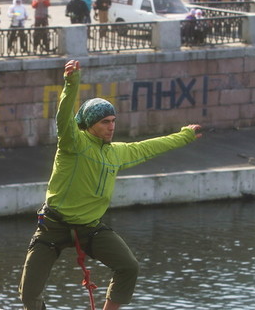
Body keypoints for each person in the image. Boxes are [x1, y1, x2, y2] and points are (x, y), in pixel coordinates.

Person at [18, 60, 202, 310]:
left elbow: (150, 147)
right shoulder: (73, 144)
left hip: (89, 228)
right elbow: (63, 118)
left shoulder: (116, 153)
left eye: (113, 120)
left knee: (129, 266)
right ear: (90, 123)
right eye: (105, 121)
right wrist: (71, 83)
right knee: (29, 293)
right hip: (54, 226)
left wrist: (185, 136)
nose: (112, 126)